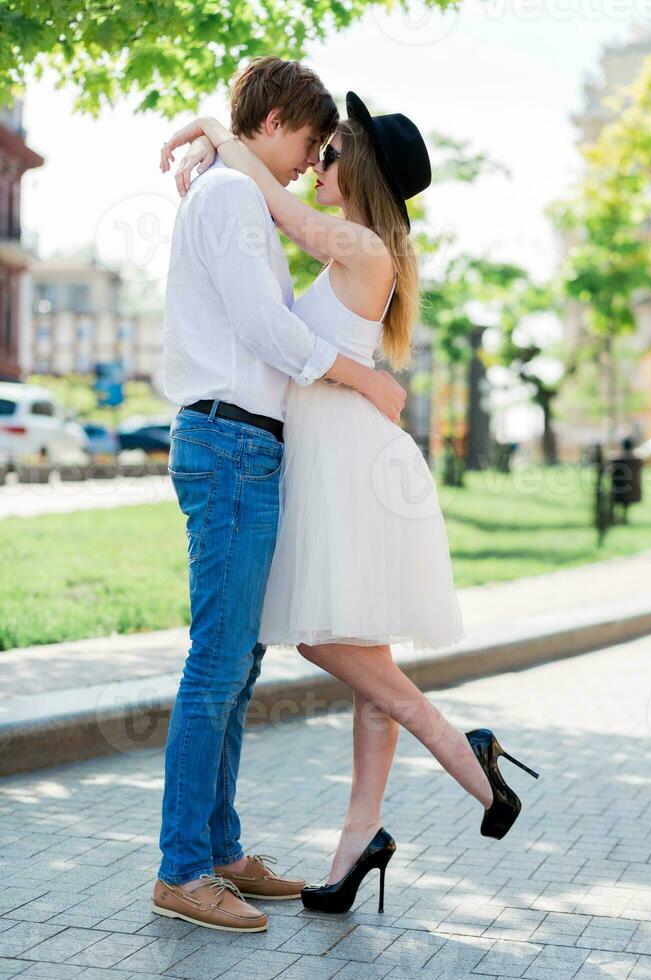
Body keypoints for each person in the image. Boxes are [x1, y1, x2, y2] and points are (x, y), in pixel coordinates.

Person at [163, 89, 539, 918]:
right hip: (332, 455)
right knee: (359, 655)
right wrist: (221, 144)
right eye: (317, 148)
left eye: (331, 152)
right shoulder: (364, 249)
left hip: (345, 462)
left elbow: (272, 200)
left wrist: (216, 132)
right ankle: (355, 845)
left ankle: (466, 753)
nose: (318, 161)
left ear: (356, 167)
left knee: (326, 642)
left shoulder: (361, 242)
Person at [152, 57, 407, 934]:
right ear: (273, 122)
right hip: (227, 443)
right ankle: (183, 868)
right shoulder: (227, 199)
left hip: (247, 447)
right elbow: (268, 329)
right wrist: (363, 382)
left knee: (240, 663)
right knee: (217, 662)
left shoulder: (241, 194)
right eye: (309, 140)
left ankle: (219, 851)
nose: (309, 161)